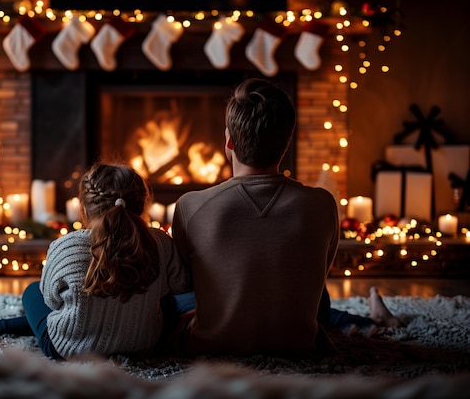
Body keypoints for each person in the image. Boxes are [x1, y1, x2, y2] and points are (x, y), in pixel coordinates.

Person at [169, 78, 402, 357]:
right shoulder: (322, 204)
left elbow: (184, 281)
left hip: (213, 347)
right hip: (299, 346)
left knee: (177, 298)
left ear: (229, 140)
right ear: (287, 140)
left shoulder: (189, 206)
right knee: (306, 287)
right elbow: (317, 274)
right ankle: (363, 321)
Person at [0, 162, 190, 360]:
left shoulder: (67, 246)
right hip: (142, 347)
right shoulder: (161, 243)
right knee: (166, 300)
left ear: (83, 207)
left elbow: (52, 301)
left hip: (70, 349)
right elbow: (180, 286)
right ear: (143, 202)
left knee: (34, 292)